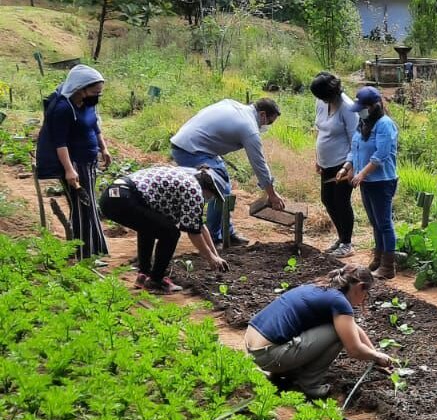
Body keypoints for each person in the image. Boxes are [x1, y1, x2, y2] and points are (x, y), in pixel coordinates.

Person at [244, 265, 394, 399]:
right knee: (338, 334)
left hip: (253, 347)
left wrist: (376, 356)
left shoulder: (320, 289)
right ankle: (310, 384)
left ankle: (284, 374)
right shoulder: (339, 302)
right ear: (361, 286)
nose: (364, 299)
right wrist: (375, 355)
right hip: (268, 355)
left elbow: (353, 327)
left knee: (339, 329)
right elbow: (354, 349)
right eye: (366, 294)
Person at [170, 97, 285, 245]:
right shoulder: (249, 128)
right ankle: (213, 237)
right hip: (191, 150)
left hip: (190, 144)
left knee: (225, 186)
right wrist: (272, 194)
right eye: (269, 122)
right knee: (220, 190)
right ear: (262, 115)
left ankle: (227, 232)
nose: (267, 126)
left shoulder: (233, 104)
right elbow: (259, 164)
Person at [99, 166, 230, 293]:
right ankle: (156, 281)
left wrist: (215, 255)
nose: (211, 198)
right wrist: (210, 258)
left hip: (111, 197)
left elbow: (199, 225)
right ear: (209, 188)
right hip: (124, 198)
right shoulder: (194, 190)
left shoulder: (187, 179)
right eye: (213, 194)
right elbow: (193, 232)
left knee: (149, 227)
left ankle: (144, 275)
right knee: (170, 233)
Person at [34, 64, 111, 262]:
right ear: (81, 88)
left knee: (89, 206)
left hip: (89, 161)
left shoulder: (87, 104)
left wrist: (104, 148)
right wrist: (69, 170)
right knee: (82, 208)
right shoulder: (62, 108)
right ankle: (83, 254)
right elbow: (60, 143)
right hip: (76, 165)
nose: (97, 96)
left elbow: (95, 125)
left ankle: (93, 250)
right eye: (95, 92)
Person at [347, 87, 399, 279]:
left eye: (363, 107)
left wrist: (362, 174)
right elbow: (354, 147)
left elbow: (381, 155)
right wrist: (348, 167)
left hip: (382, 180)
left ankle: (388, 266)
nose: (360, 111)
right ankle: (378, 258)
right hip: (367, 180)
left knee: (384, 223)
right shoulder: (363, 122)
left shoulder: (385, 124)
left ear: (373, 106)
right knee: (375, 222)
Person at [311, 73, 358, 257]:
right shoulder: (321, 103)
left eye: (324, 96)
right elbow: (320, 131)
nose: (322, 100)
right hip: (326, 163)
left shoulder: (347, 108)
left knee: (341, 202)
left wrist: (349, 165)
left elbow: (355, 139)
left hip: (342, 164)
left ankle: (347, 243)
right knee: (327, 200)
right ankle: (341, 238)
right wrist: (318, 158)